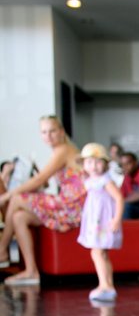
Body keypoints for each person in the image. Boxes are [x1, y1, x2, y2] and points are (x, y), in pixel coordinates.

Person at [0, 115, 86, 286]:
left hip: (74, 207)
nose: (48, 136)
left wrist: (7, 196)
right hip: (66, 204)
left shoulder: (64, 149)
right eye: (44, 132)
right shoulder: (59, 151)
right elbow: (44, 182)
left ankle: (2, 249)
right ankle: (31, 271)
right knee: (19, 217)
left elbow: (40, 181)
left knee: (16, 198)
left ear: (61, 132)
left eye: (52, 131)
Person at [77, 142, 124, 303]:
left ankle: (105, 285)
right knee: (101, 253)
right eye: (89, 162)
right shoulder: (90, 180)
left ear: (104, 164)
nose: (94, 166)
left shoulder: (105, 180)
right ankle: (107, 284)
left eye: (98, 162)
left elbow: (118, 198)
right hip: (94, 221)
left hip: (103, 222)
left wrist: (117, 218)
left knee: (97, 252)